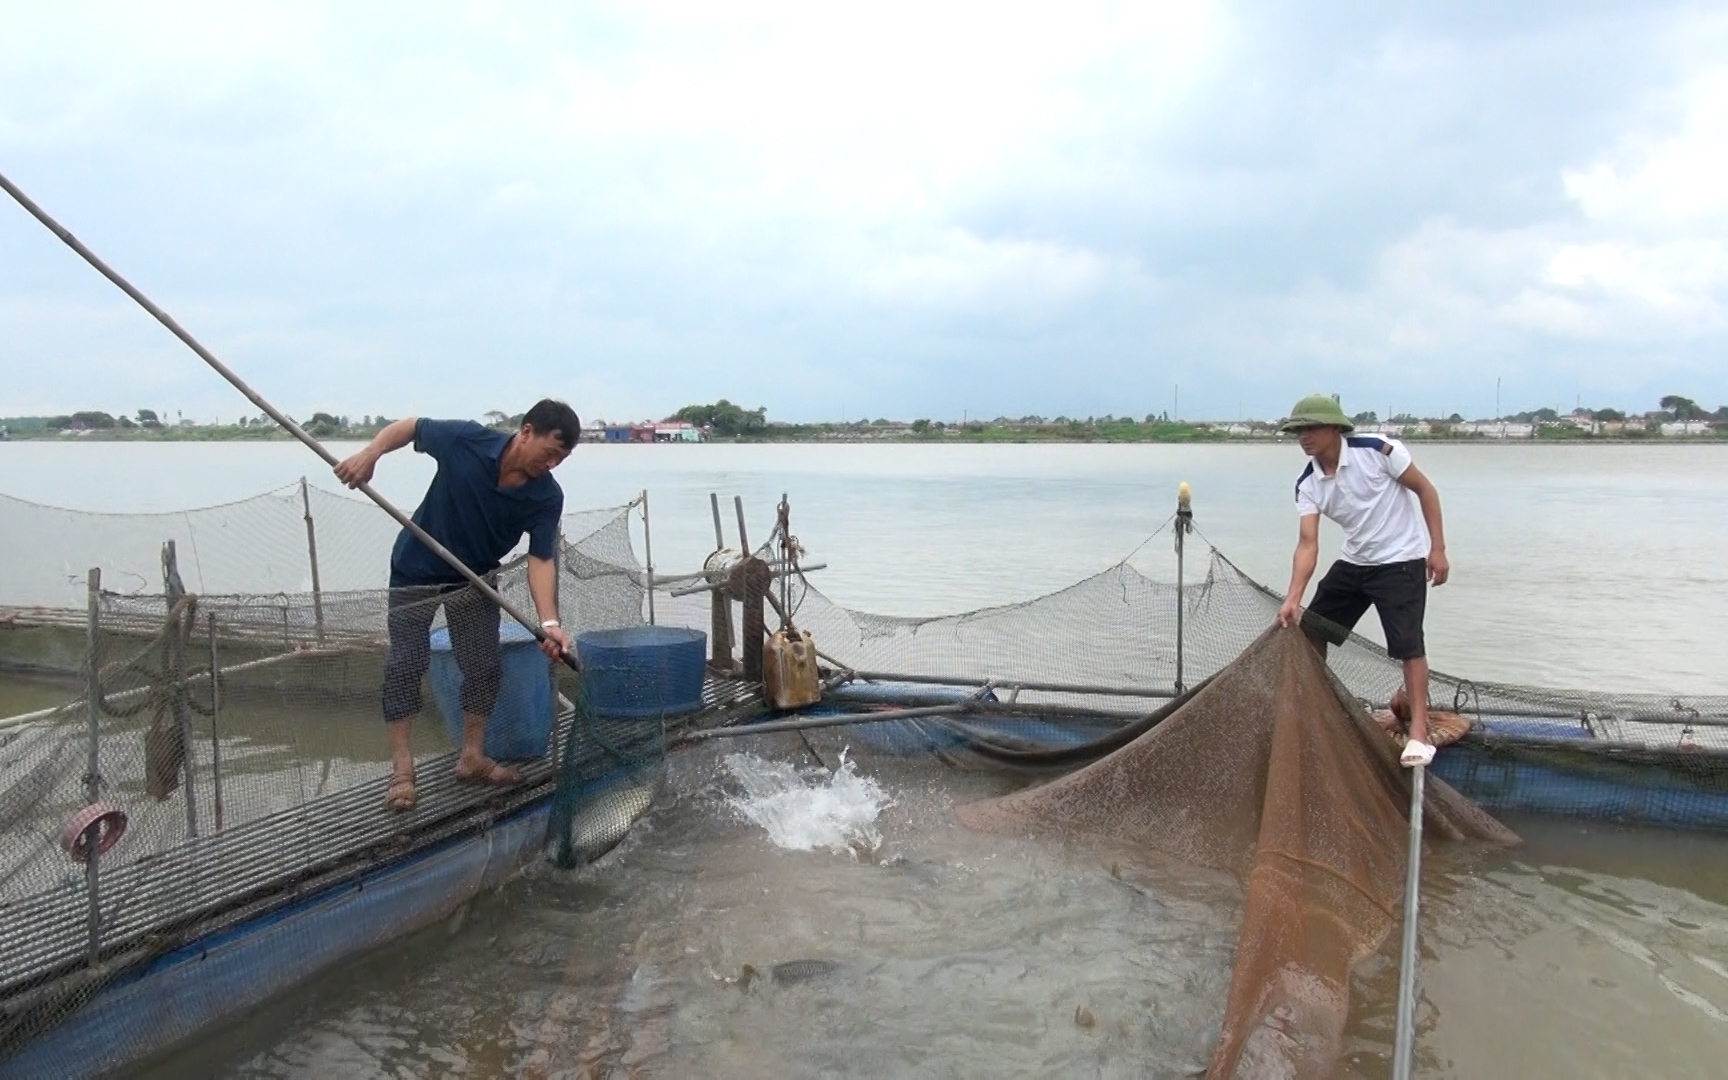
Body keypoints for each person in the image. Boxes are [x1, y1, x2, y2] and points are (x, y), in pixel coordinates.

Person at [334, 400, 579, 810]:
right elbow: (411, 426)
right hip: (415, 568)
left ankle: (472, 755)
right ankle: (402, 767)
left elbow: (541, 559)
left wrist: (549, 620)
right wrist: (369, 454)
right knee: (406, 663)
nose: (553, 463)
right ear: (526, 431)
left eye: (562, 458)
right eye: (550, 451)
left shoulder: (546, 496)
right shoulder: (467, 440)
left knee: (483, 665)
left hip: (475, 579)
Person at [1273, 394, 1450, 767]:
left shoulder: (1378, 450)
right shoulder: (1308, 483)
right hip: (1356, 561)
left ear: (1335, 428)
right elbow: (1308, 544)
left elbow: (1425, 490)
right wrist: (1292, 597)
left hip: (1401, 559)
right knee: (1312, 630)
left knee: (1408, 644)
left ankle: (1418, 733)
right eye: (1298, 431)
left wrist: (1438, 549)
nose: (1304, 437)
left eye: (1312, 428)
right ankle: (1318, 708)